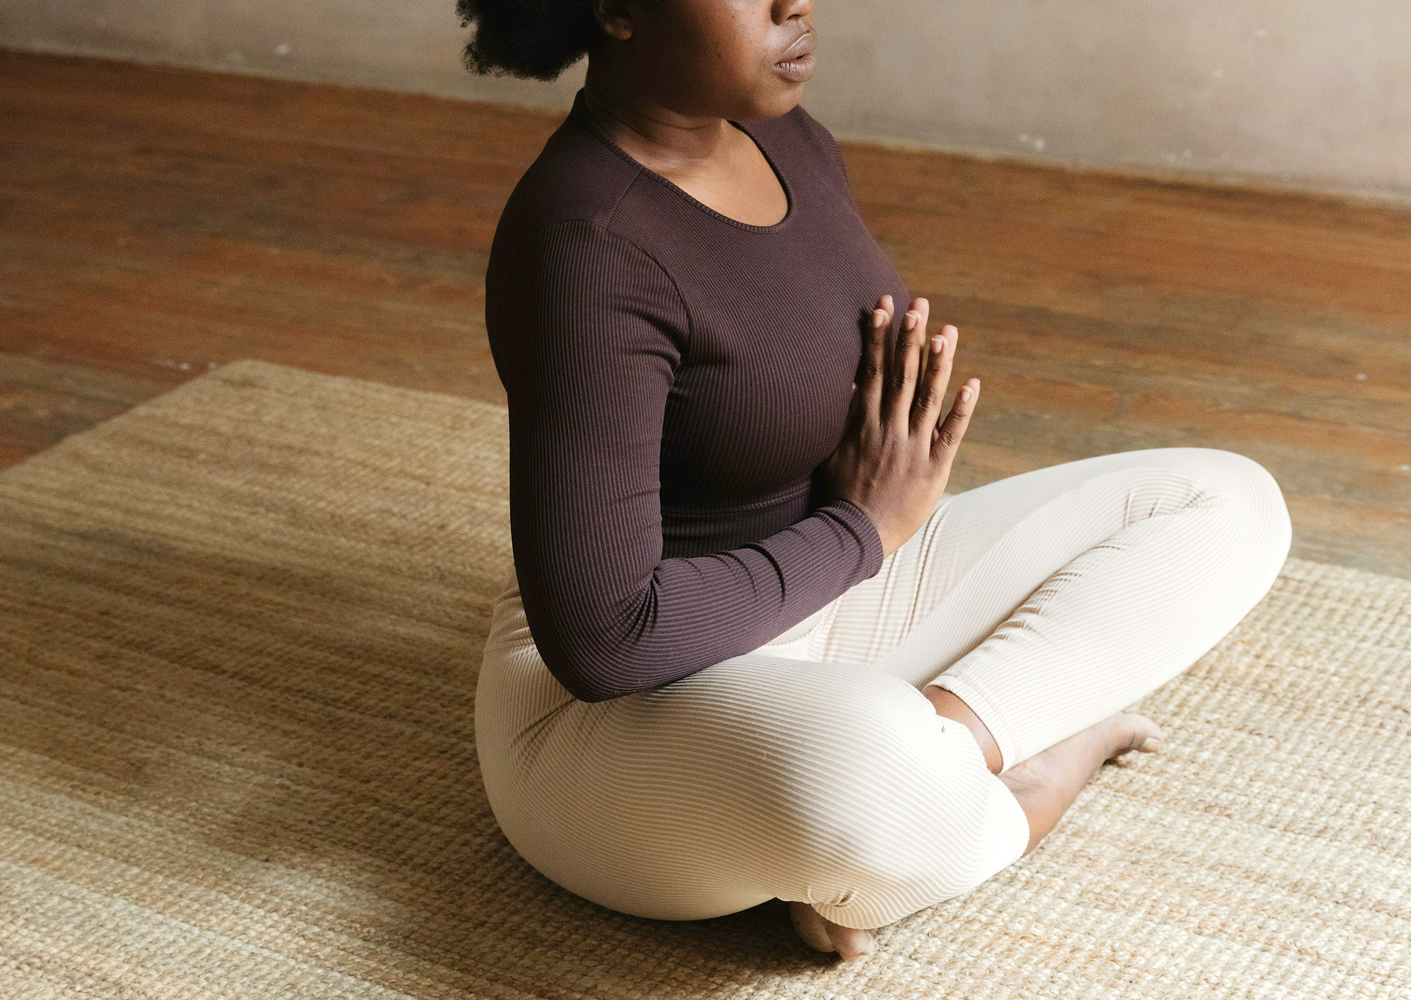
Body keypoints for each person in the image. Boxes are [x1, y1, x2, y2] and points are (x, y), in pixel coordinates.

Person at [463, 0, 1293, 962]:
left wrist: (873, 532)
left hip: (834, 591)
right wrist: (865, 528)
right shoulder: (584, 241)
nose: (794, 3)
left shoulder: (786, 141)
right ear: (614, 8)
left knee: (1226, 500)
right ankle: (1031, 775)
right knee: (863, 766)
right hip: (614, 716)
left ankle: (940, 764)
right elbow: (604, 641)